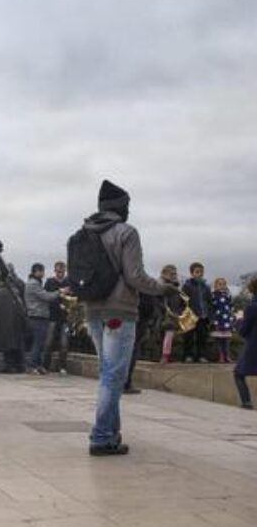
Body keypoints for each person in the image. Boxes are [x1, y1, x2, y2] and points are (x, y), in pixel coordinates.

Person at [81, 179, 173, 456]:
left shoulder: (84, 232)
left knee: (108, 373)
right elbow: (135, 276)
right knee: (113, 376)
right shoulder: (126, 232)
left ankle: (111, 434)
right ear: (122, 208)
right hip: (119, 311)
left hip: (92, 310)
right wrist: (162, 287)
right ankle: (101, 436)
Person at [24, 263, 65, 375]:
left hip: (39, 316)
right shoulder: (33, 284)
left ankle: (38, 365)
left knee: (40, 343)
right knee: (38, 343)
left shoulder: (35, 283)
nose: (43, 274)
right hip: (37, 316)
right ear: (37, 271)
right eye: (42, 271)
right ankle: (31, 366)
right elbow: (46, 297)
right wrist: (60, 292)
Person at [0, 265, 26, 373]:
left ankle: (3, 366)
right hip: (15, 320)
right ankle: (17, 366)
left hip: (2, 322)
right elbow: (23, 303)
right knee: (15, 343)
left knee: (3, 344)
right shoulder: (18, 285)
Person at [233, 275, 257, 410]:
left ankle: (247, 402)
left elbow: (243, 330)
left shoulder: (252, 307)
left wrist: (238, 320)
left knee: (238, 373)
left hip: (253, 346)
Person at [43, 261, 70, 374]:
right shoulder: (49, 282)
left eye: (62, 271)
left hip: (65, 317)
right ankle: (45, 366)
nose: (60, 273)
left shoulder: (68, 282)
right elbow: (45, 296)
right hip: (52, 316)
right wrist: (59, 292)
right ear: (55, 271)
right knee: (48, 342)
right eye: (58, 271)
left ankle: (62, 367)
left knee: (64, 343)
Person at [182, 262, 212, 363]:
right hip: (190, 315)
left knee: (202, 337)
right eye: (197, 272)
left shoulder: (206, 287)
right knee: (189, 337)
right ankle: (188, 355)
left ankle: (201, 355)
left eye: (201, 272)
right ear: (192, 273)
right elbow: (183, 300)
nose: (200, 274)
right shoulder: (187, 286)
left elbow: (209, 301)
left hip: (203, 315)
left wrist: (209, 314)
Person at [158, 264, 183, 364]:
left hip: (173, 314)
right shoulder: (160, 285)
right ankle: (163, 355)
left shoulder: (176, 287)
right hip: (162, 313)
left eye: (175, 274)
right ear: (164, 274)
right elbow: (158, 300)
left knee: (170, 334)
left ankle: (166, 355)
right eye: (171, 274)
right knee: (161, 335)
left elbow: (180, 301)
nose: (174, 276)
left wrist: (179, 312)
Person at [211, 277, 235, 364]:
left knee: (227, 339)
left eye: (224, 284)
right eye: (220, 284)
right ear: (215, 286)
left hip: (227, 321)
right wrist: (213, 319)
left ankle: (227, 356)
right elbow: (211, 307)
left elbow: (231, 306)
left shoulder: (228, 295)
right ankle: (221, 356)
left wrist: (232, 315)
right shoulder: (213, 295)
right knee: (219, 339)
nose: (222, 286)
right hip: (218, 320)